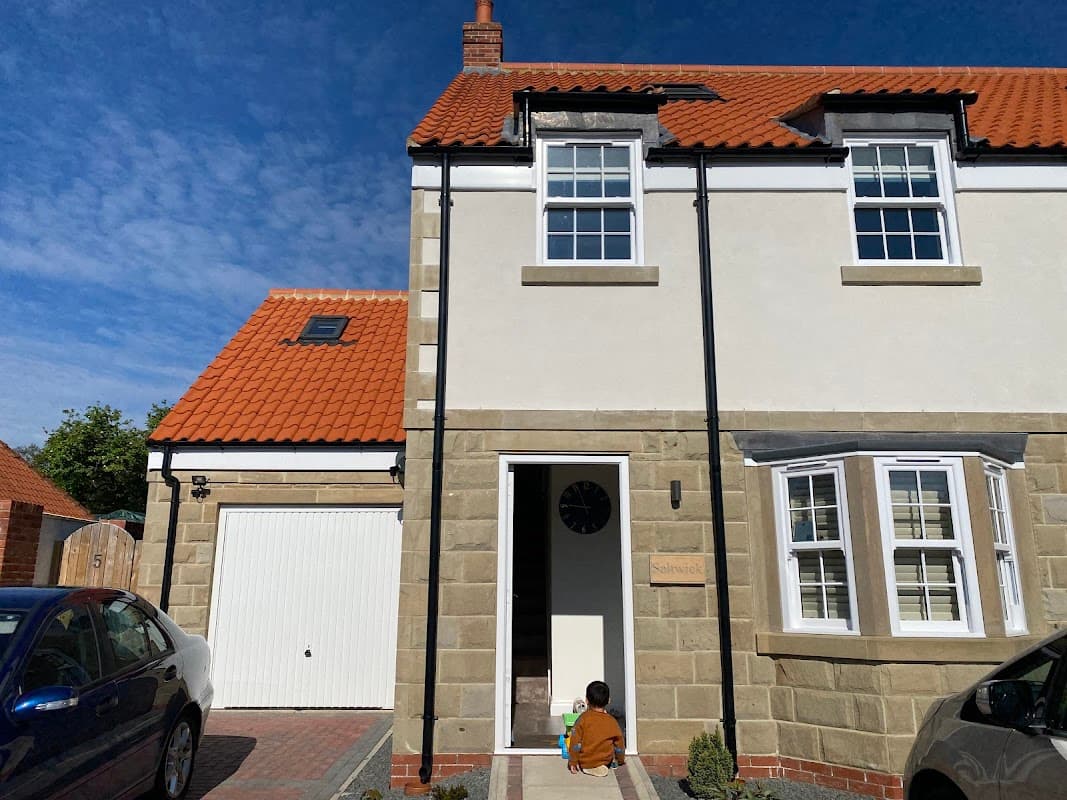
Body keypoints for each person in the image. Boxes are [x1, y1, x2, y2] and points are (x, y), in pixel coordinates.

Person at [567, 680, 625, 777]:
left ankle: (592, 767)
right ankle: (602, 765)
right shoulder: (612, 721)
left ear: (586, 700)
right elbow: (619, 744)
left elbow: (575, 742)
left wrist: (573, 761)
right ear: (609, 700)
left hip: (585, 762)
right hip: (605, 760)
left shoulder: (582, 719)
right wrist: (620, 760)